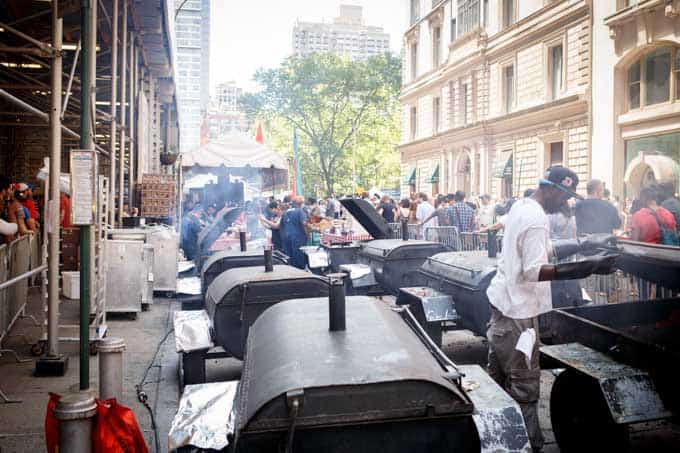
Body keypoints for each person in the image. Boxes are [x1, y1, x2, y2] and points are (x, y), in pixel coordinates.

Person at [486, 165, 617, 451]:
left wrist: (585, 242)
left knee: (498, 383)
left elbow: (544, 249)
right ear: (552, 188)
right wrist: (586, 266)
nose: (567, 202)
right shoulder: (535, 218)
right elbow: (534, 270)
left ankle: (496, 441)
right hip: (518, 315)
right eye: (565, 195)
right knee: (525, 386)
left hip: (505, 306)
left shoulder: (523, 205)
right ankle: (529, 445)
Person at [281, 196, 309, 269]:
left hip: (287, 238)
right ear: (300, 204)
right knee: (299, 258)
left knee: (290, 258)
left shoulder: (286, 212)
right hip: (298, 238)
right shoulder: (300, 211)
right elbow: (304, 223)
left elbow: (281, 226)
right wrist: (307, 235)